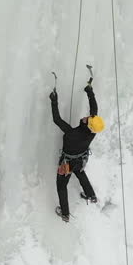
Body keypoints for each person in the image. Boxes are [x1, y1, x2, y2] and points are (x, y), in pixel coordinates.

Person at [51, 77, 105, 222]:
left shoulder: (71, 134)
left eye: (88, 119)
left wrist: (53, 100)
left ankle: (65, 213)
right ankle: (91, 195)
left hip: (68, 161)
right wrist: (90, 91)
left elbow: (57, 120)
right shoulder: (92, 131)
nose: (87, 117)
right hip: (80, 159)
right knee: (80, 173)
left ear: (89, 125)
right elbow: (94, 109)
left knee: (61, 186)